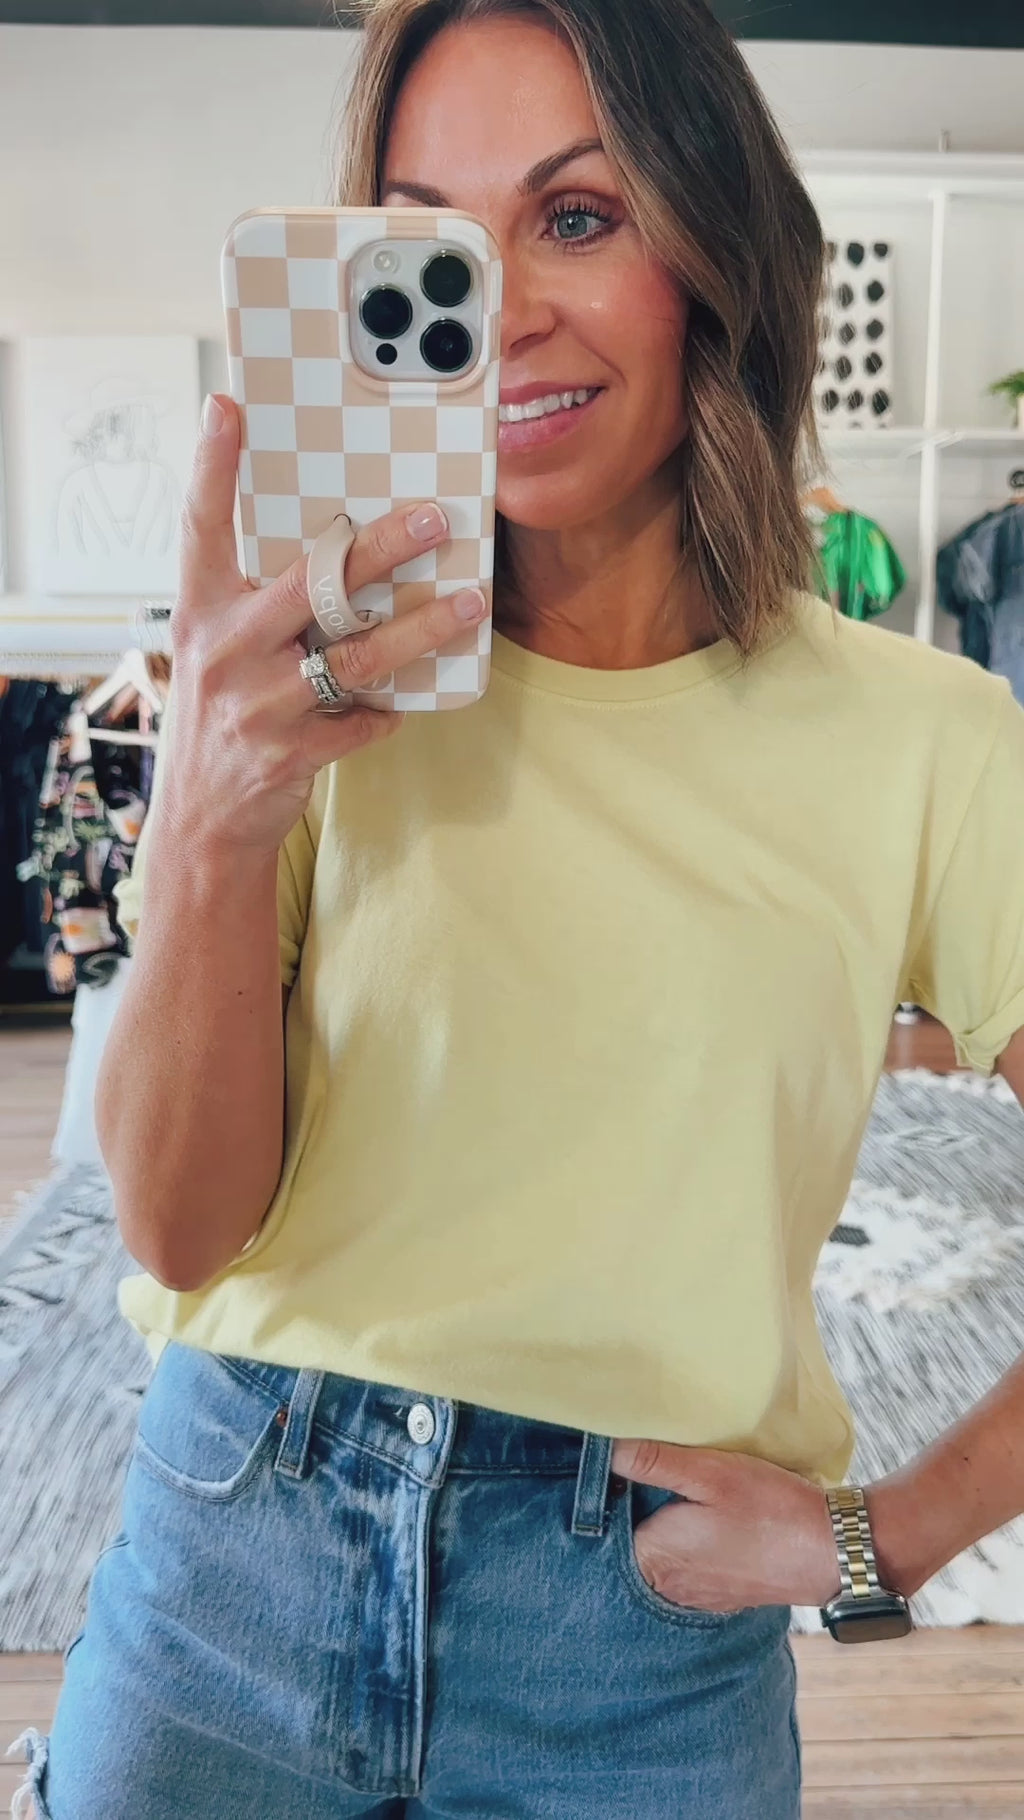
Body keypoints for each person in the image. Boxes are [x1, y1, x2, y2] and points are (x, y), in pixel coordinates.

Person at [10, 2, 1024, 1816]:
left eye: (576, 215)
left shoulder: (928, 742)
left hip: (638, 1634)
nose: (500, 314)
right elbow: (175, 1227)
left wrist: (889, 1539)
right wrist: (216, 811)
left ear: (714, 251)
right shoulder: (307, 689)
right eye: (429, 244)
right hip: (232, 1558)